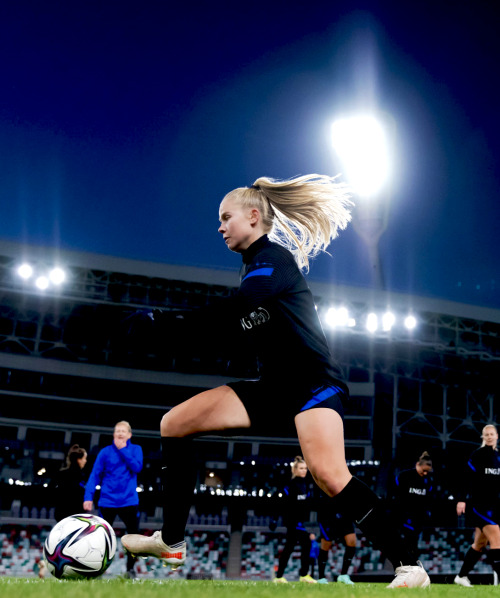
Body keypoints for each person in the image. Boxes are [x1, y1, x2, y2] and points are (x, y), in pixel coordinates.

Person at [121, 174, 430, 588]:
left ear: (253, 216)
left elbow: (241, 306)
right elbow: (229, 326)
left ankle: (410, 566)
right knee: (173, 424)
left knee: (329, 474)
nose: (220, 226)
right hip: (273, 387)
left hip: (312, 383)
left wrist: (163, 320)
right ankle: (172, 541)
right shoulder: (252, 267)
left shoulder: (274, 259)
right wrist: (168, 333)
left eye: (225, 217)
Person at [83, 421, 143, 579]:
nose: (120, 433)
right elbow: (94, 475)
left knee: (134, 538)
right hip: (107, 501)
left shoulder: (136, 450)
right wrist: (88, 497)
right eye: (117, 431)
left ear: (129, 435)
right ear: (114, 434)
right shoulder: (105, 452)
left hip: (129, 501)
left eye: (123, 431)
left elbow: (137, 467)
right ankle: (98, 569)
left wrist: (123, 450)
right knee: (101, 537)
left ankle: (130, 570)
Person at [454, 424, 500, 587]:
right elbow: (465, 478)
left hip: (494, 506)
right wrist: (461, 499)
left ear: (496, 436)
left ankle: (461, 576)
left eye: (491, 434)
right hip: (478, 505)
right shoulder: (477, 455)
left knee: (479, 544)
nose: (488, 436)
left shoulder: (498, 457)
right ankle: (499, 579)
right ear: (483, 437)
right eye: (485, 434)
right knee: (496, 538)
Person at [274, 457, 316, 583]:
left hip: (299, 521)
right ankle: (303, 575)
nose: (304, 471)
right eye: (301, 468)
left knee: (289, 548)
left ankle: (279, 577)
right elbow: (280, 503)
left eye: (305, 468)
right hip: (292, 521)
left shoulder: (306, 485)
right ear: (295, 470)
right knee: (306, 543)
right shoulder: (290, 485)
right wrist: (275, 519)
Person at [393, 452, 434, 562]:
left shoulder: (428, 481)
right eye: (423, 470)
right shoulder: (404, 476)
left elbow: (428, 500)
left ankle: (411, 566)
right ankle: (407, 565)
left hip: (419, 518)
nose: (425, 473)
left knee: (413, 541)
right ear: (418, 465)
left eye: (427, 471)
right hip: (403, 515)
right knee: (409, 541)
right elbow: (394, 495)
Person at [317, 497, 357, 585]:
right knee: (326, 544)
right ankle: (321, 577)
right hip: (327, 510)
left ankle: (343, 575)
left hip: (344, 510)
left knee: (352, 541)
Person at [52, 444, 88, 521]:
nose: (85, 461)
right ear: (79, 459)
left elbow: (52, 490)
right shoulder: (80, 476)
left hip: (61, 512)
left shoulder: (61, 473)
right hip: (74, 514)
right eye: (84, 458)